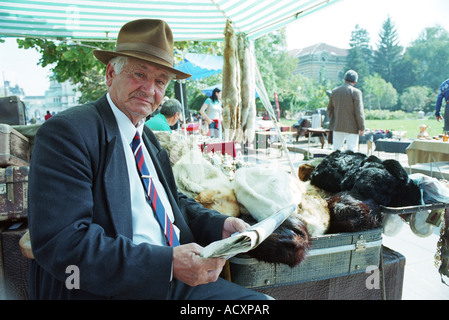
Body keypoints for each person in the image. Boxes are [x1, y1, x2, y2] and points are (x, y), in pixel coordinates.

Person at [27, 19, 270, 300]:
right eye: (139, 74)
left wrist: (219, 224)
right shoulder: (69, 132)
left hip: (176, 282)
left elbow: (171, 202)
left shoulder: (147, 137)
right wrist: (166, 263)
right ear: (110, 74)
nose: (149, 89)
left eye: (160, 81)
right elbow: (64, 242)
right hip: (112, 288)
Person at [327, 70, 365, 152]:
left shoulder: (334, 91)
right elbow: (359, 112)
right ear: (355, 82)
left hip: (337, 126)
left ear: (344, 79)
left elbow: (329, 109)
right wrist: (362, 127)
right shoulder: (356, 92)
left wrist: (334, 119)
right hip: (352, 127)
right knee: (351, 152)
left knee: (336, 151)